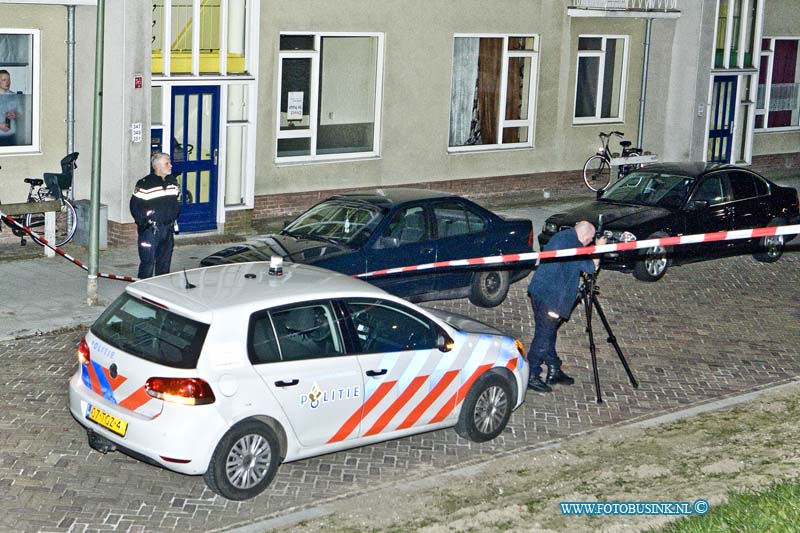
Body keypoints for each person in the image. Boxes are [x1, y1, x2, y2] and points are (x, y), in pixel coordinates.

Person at [526, 220, 606, 392]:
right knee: (543, 335)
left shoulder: (563, 236)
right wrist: (599, 248)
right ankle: (531, 373)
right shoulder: (573, 246)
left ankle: (554, 368)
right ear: (585, 236)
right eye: (590, 240)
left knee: (548, 332)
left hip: (539, 292)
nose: (589, 243)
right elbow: (591, 268)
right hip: (552, 298)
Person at [130, 152, 181, 279]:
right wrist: (144, 223)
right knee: (147, 264)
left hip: (167, 230)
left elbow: (176, 202)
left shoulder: (173, 182)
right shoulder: (145, 184)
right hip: (150, 231)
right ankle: (142, 291)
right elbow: (135, 206)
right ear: (157, 167)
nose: (171, 166)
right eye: (167, 163)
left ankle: (160, 292)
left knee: (164, 265)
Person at [0, 70, 18, 146]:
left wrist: (16, 114)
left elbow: (24, 114)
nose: (7, 82)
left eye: (8, 79)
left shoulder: (14, 96)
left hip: (12, 136)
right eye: (4, 80)